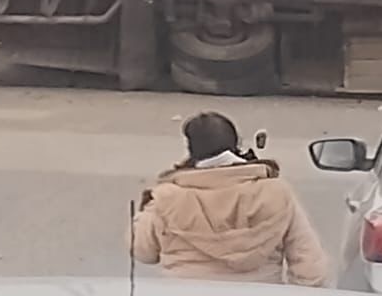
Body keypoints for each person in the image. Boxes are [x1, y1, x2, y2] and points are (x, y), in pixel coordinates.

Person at [131, 111, 328, 286]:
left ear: (190, 149)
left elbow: (143, 251)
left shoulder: (166, 198)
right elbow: (309, 264)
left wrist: (143, 214)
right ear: (236, 144)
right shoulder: (276, 192)